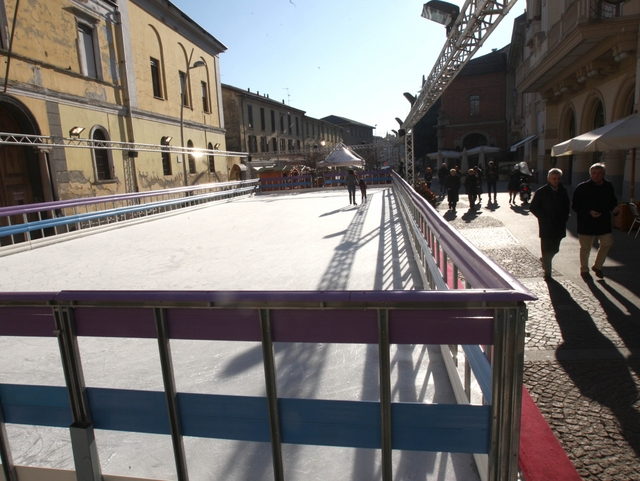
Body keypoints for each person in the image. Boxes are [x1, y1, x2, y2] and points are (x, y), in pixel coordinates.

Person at [571, 163, 620, 279]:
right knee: (585, 248)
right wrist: (589, 211)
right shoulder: (582, 187)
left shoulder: (608, 186)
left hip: (603, 221)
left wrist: (614, 209)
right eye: (594, 173)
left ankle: (598, 266)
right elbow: (575, 205)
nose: (596, 176)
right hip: (586, 222)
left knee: (607, 242)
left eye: (599, 173)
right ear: (590, 174)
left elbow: (612, 201)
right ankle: (584, 270)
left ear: (603, 174)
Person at [530, 168, 571, 280]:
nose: (556, 181)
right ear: (549, 179)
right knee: (546, 249)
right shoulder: (541, 191)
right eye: (554, 178)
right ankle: (548, 274)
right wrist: (543, 217)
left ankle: (544, 259)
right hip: (546, 225)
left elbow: (567, 205)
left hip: (559, 225)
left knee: (555, 249)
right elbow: (533, 207)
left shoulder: (563, 191)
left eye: (558, 179)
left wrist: (565, 217)